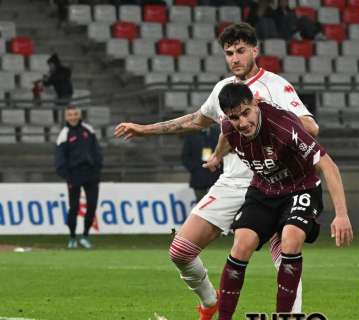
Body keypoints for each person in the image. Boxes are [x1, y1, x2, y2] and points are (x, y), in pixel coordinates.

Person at [114, 22, 319, 320]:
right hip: (233, 182)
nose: (235, 58)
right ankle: (210, 302)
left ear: (255, 50)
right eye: (229, 53)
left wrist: (274, 116)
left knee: (286, 257)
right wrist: (145, 130)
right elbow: (198, 120)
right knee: (180, 251)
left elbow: (311, 127)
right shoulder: (223, 89)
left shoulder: (275, 86)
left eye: (240, 51)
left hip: (272, 184)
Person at [202, 82, 352, 318]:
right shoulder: (230, 127)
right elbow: (226, 136)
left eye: (246, 113)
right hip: (264, 190)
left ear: (256, 104)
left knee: (290, 240)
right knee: (241, 246)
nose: (242, 122)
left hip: (300, 187)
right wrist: (216, 158)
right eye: (234, 117)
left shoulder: (283, 126)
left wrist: (341, 215)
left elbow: (328, 166)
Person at [55, 106, 103, 249]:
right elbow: (60, 158)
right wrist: (66, 175)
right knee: (74, 207)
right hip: (74, 175)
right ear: (66, 117)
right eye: (70, 115)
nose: (73, 117)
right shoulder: (64, 134)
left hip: (91, 174)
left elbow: (97, 151)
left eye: (75, 114)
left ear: (79, 115)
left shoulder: (89, 130)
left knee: (92, 206)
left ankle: (85, 235)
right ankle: (72, 237)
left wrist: (97, 168)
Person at [182, 125, 222, 202]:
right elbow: (185, 157)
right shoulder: (191, 134)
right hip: (198, 178)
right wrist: (195, 169)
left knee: (217, 205)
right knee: (201, 206)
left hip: (216, 176)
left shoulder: (218, 132)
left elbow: (223, 151)